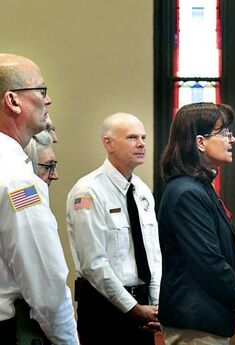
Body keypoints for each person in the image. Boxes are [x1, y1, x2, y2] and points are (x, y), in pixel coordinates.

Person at [158, 102, 235, 344]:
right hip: (195, 323)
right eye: (224, 133)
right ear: (201, 142)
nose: (232, 140)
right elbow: (209, 262)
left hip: (205, 319)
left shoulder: (198, 187)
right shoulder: (187, 192)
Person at [0, 54, 78, 344]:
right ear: (13, 101)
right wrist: (68, 339)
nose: (48, 101)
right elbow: (46, 283)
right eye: (41, 91)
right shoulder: (18, 181)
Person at [66, 112, 162, 345]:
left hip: (143, 307)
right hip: (105, 308)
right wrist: (133, 308)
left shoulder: (141, 190)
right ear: (108, 143)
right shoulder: (88, 191)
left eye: (143, 137)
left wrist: (157, 304)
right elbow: (93, 263)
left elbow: (153, 253)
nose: (141, 144)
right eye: (131, 137)